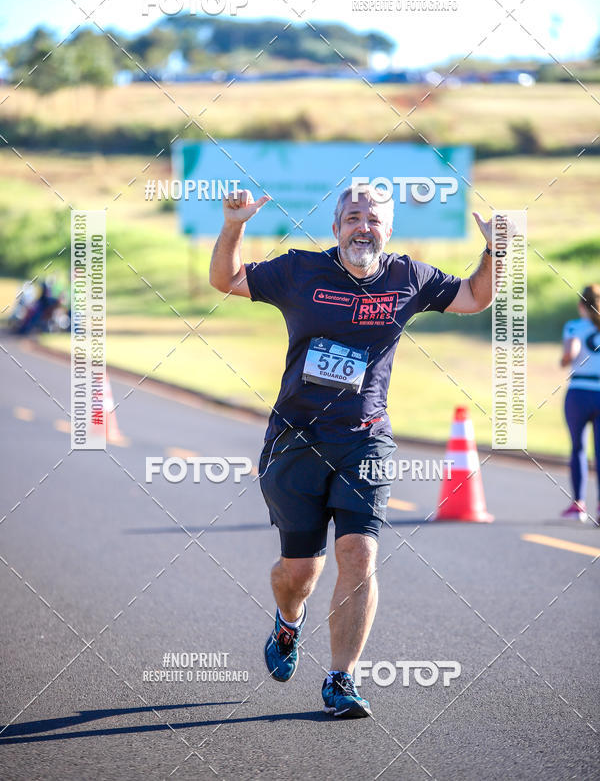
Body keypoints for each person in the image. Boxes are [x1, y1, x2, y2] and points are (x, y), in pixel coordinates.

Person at [209, 183, 503, 719]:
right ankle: (288, 621)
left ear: (388, 229)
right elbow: (225, 280)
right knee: (298, 573)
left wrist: (495, 250)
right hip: (296, 439)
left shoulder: (407, 277)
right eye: (352, 218)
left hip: (364, 439)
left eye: (373, 219)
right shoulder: (300, 270)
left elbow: (475, 298)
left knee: (359, 554)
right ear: (336, 227)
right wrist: (234, 226)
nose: (362, 227)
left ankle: (341, 679)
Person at [559, 284, 600, 523]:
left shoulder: (574, 326)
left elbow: (569, 356)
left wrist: (565, 358)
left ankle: (579, 504)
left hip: (579, 392)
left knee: (578, 448)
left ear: (581, 305)